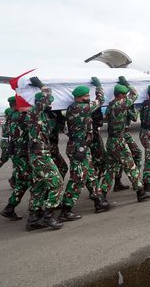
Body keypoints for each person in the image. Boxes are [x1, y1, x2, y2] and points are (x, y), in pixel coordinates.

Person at [100, 77, 150, 208]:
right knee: (131, 166)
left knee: (110, 169)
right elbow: (135, 94)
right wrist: (127, 83)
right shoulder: (121, 103)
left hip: (111, 141)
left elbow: (106, 118)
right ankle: (140, 193)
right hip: (119, 141)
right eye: (125, 94)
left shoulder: (111, 105)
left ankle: (101, 196)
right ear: (122, 95)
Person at [59, 78, 105, 221]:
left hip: (82, 147)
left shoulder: (72, 108)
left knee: (91, 175)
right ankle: (66, 210)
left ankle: (99, 202)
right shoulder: (81, 108)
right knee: (77, 178)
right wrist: (98, 86)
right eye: (86, 96)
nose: (88, 98)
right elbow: (101, 100)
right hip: (78, 148)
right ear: (79, 97)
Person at [22, 80, 63, 230]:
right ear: (40, 102)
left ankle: (33, 219)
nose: (50, 104)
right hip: (39, 154)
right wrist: (41, 85)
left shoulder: (43, 116)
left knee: (39, 186)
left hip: (40, 153)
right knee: (56, 182)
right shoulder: (34, 112)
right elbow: (47, 96)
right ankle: (48, 216)